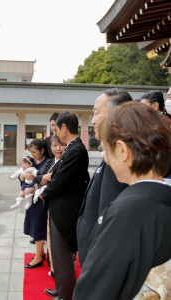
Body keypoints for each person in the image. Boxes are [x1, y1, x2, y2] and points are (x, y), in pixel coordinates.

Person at [73, 102, 171, 300]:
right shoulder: (161, 199)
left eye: (106, 150)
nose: (106, 159)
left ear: (122, 151)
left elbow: (94, 292)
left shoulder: (127, 213)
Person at [76, 88, 132, 266]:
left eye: (97, 113)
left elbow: (109, 221)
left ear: (116, 115)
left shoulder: (120, 161)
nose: (93, 120)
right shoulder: (110, 155)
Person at [42, 112, 90, 300]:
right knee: (58, 253)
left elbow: (59, 180)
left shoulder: (76, 149)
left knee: (62, 253)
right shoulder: (72, 148)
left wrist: (43, 192)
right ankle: (62, 288)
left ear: (64, 128)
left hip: (65, 209)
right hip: (61, 206)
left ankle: (65, 294)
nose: (56, 132)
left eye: (57, 128)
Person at [33, 135, 66, 283]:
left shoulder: (66, 162)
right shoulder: (52, 162)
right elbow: (41, 177)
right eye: (54, 146)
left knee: (60, 241)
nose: (58, 149)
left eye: (61, 145)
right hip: (50, 205)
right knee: (51, 238)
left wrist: (44, 191)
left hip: (61, 205)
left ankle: (60, 273)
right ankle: (54, 269)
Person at [22, 139, 49, 268]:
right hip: (33, 199)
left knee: (39, 226)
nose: (33, 155)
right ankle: (40, 252)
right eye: (31, 152)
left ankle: (38, 257)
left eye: (35, 152)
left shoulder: (48, 163)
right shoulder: (33, 162)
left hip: (41, 200)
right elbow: (22, 175)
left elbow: (43, 181)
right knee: (33, 224)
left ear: (42, 150)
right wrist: (23, 176)